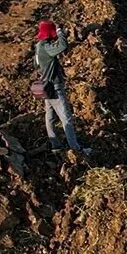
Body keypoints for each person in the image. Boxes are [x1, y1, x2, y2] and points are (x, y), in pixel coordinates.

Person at [34, 20, 88, 155]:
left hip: (45, 86)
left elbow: (36, 65)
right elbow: (63, 46)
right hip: (54, 87)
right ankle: (76, 149)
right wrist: (59, 32)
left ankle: (55, 146)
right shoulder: (46, 48)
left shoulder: (38, 46)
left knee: (50, 116)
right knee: (66, 117)